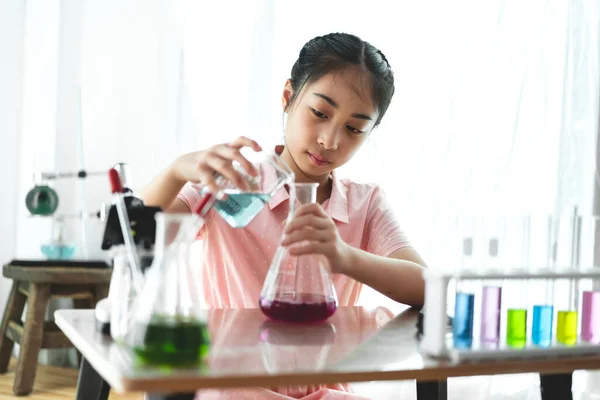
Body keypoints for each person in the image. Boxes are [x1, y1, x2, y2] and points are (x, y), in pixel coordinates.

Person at [141, 32, 426, 399]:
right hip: (233, 387)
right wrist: (176, 171)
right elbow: (137, 239)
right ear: (289, 97)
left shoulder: (365, 203)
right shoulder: (232, 178)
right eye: (320, 113)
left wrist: (344, 256)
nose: (330, 140)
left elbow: (427, 286)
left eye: (354, 128)